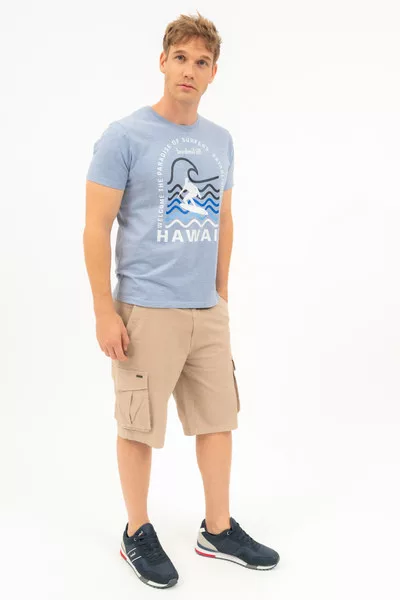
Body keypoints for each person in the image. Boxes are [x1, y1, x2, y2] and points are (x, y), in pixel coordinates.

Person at [83, 10, 280, 590]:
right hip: (146, 308)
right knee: (139, 425)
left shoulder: (219, 141)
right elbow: (96, 228)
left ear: (214, 72)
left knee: (218, 420)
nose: (189, 70)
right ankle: (136, 531)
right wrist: (104, 310)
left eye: (201, 62)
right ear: (163, 62)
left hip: (206, 309)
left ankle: (217, 529)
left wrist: (221, 292)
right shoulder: (124, 136)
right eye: (180, 58)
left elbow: (224, 218)